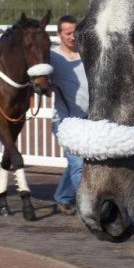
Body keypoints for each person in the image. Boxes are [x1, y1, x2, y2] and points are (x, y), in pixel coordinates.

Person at [51, 15, 89, 215]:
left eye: (74, 32)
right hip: (64, 122)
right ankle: (88, 208)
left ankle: (63, 197)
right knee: (78, 165)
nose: (72, 37)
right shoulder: (52, 58)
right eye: (67, 33)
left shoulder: (86, 52)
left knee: (76, 163)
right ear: (59, 35)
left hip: (88, 119)